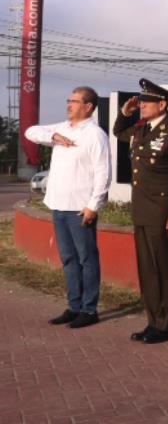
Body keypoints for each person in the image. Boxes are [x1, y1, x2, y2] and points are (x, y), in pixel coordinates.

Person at [113, 79, 168, 344]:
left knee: (164, 269)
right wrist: (125, 111)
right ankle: (152, 322)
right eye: (141, 102)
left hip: (162, 211)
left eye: (147, 102)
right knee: (147, 269)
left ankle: (166, 325)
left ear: (163, 104)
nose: (142, 106)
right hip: (142, 209)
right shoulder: (140, 129)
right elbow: (118, 131)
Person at [25, 86, 111, 329]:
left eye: (74, 101)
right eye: (68, 100)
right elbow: (31, 131)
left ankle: (89, 309)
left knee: (87, 258)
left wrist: (94, 205)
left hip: (80, 208)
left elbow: (103, 173)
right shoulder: (62, 128)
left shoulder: (95, 135)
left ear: (88, 107)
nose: (69, 104)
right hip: (58, 205)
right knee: (69, 259)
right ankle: (74, 306)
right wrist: (53, 137)